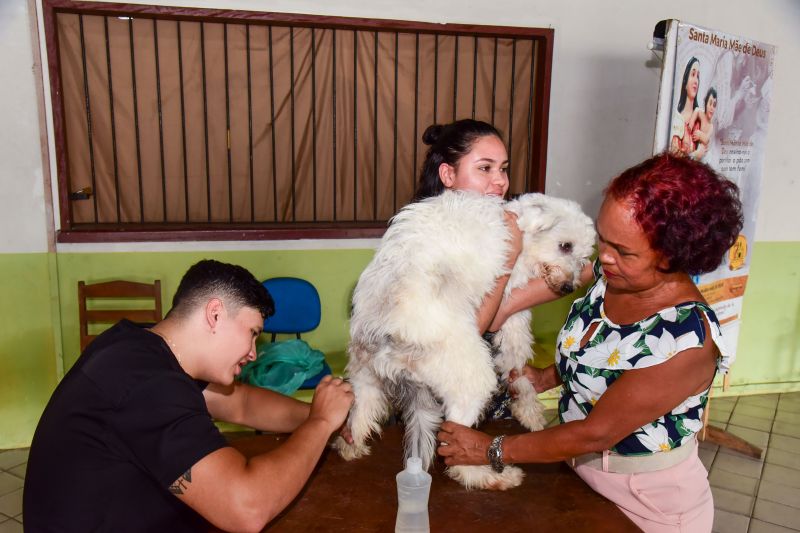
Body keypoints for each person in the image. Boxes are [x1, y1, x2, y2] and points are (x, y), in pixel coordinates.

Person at [437, 153, 743, 532]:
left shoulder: (686, 338)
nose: (605, 256)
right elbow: (604, 349)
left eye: (624, 251)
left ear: (672, 256)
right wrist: (547, 377)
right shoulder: (614, 273)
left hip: (646, 502)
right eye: (603, 238)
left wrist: (490, 449)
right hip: (579, 473)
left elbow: (597, 432)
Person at [23, 260, 354, 532]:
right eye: (252, 333)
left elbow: (241, 403)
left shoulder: (139, 345)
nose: (253, 353)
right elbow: (246, 508)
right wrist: (321, 423)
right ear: (214, 315)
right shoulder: (143, 382)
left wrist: (316, 415)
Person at [413, 119, 591, 419]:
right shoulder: (427, 238)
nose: (500, 181)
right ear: (447, 174)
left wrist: (511, 303)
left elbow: (586, 269)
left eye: (503, 168)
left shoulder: (507, 219)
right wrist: (510, 260)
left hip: (492, 390)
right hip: (440, 391)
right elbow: (479, 325)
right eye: (485, 168)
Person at [671, 57, 701, 156]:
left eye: (698, 76)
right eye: (693, 74)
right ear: (685, 82)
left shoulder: (700, 120)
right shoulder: (676, 119)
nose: (696, 80)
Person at [689, 87, 718, 160]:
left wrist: (700, 135)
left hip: (702, 151)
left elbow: (706, 139)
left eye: (714, 105)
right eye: (710, 103)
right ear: (705, 103)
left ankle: (694, 156)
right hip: (693, 143)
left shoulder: (711, 126)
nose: (712, 108)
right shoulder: (701, 113)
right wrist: (691, 125)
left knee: (703, 149)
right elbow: (696, 110)